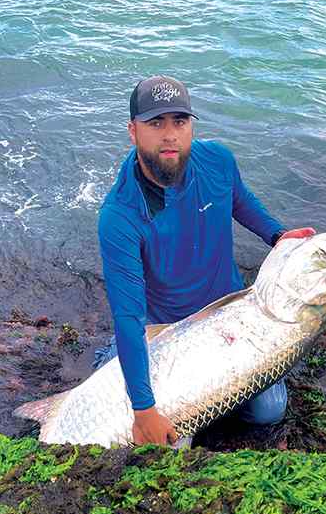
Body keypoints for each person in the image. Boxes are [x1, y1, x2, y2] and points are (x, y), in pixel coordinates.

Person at [97, 75, 314, 446]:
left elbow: (240, 200)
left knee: (270, 410)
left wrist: (277, 237)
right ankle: (110, 357)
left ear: (191, 126)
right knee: (164, 440)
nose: (170, 135)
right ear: (133, 131)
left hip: (228, 314)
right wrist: (144, 409)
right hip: (165, 331)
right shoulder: (119, 216)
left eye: (179, 122)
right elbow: (128, 314)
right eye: (155, 123)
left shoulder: (218, 161)